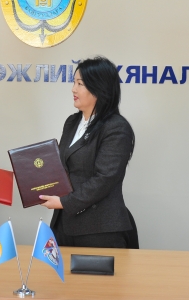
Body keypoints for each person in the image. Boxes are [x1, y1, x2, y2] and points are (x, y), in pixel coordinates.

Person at [39, 56, 134, 248]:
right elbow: (63, 167)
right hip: (63, 224)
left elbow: (105, 179)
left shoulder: (116, 127)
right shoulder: (72, 122)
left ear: (100, 88)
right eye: (74, 82)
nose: (73, 89)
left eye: (80, 84)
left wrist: (65, 202)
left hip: (98, 230)